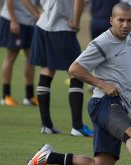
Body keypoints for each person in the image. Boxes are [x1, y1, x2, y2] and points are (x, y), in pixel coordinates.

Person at [24, 3, 131, 165]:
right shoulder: (102, 42)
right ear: (111, 20)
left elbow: (123, 79)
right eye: (120, 20)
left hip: (116, 104)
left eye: (129, 21)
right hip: (106, 103)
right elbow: (74, 69)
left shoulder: (127, 39)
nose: (125, 25)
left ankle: (49, 157)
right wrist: (102, 84)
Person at [29, 0, 93, 136]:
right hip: (63, 28)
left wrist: (35, 13)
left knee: (46, 70)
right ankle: (77, 127)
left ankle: (46, 125)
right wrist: (76, 22)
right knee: (76, 73)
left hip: (42, 26)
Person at [0, 0, 40, 107]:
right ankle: (6, 96)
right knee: (11, 55)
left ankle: (29, 97)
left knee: (31, 56)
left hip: (29, 21)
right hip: (14, 19)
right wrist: (13, 20)